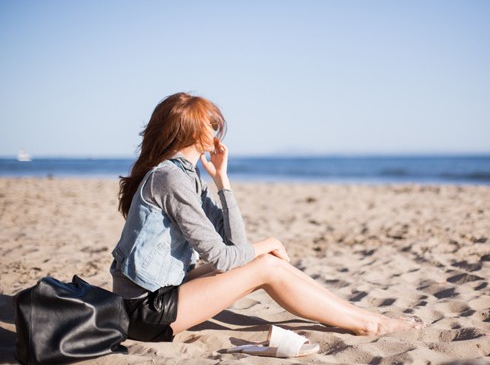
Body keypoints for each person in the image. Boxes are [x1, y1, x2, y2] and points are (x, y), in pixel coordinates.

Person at [110, 92, 422, 345]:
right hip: (144, 311)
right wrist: (270, 243)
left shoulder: (185, 177)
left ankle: (364, 318)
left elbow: (237, 244)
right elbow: (221, 257)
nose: (216, 130)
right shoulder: (170, 178)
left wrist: (222, 181)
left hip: (162, 294)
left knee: (269, 263)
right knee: (268, 265)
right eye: (210, 124)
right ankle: (369, 325)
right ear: (192, 131)